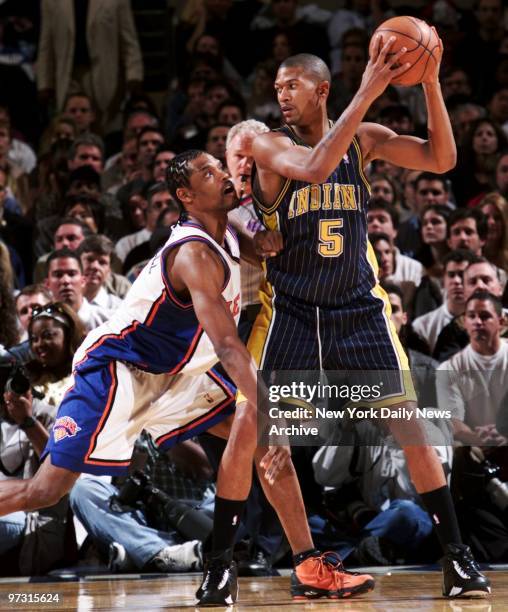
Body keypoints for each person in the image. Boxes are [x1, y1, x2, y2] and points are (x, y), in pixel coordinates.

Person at [0, 151, 372, 606]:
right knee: (46, 489)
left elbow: (264, 245)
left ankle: (308, 563)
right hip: (118, 369)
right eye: (209, 174)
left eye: (220, 167)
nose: (222, 176)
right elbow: (229, 347)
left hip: (176, 372)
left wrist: (271, 225)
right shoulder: (194, 253)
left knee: (257, 437)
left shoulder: (229, 231)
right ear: (186, 196)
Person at [244, 46, 490, 598]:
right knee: (273, 443)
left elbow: (442, 159)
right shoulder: (271, 144)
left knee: (411, 427)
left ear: (320, 89)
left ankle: (457, 556)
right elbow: (315, 167)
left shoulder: (365, 138)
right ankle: (307, 563)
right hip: (296, 313)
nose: (281, 95)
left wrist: (429, 82)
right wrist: (369, 89)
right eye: (278, 87)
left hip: (358, 311)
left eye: (292, 86)